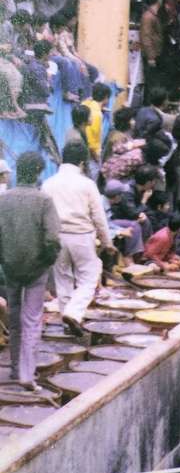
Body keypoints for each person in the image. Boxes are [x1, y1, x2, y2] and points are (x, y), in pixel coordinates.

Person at [0, 152, 60, 389]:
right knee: (32, 320)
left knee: (15, 319)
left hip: (10, 266)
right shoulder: (44, 200)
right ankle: (27, 373)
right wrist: (47, 260)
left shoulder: (4, 200)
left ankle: (15, 369)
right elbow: (53, 238)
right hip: (37, 268)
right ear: (38, 172)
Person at [42, 142, 113, 336]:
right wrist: (107, 243)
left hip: (56, 237)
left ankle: (67, 321)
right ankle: (74, 313)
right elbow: (99, 217)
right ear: (82, 162)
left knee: (63, 279)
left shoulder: (48, 183)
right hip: (81, 236)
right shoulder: (87, 184)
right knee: (89, 276)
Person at [82, 82, 110, 163]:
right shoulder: (97, 115)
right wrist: (97, 159)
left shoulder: (86, 105)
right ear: (106, 97)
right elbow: (91, 142)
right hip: (91, 155)